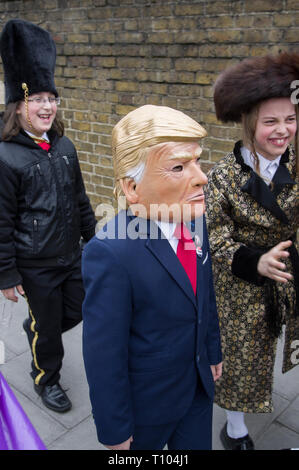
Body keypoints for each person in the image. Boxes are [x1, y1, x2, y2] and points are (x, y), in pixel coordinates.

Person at [82, 104, 222, 450]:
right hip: (149, 404)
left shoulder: (195, 220)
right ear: (132, 188)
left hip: (197, 387)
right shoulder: (111, 253)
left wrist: (213, 349)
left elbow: (204, 295)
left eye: (197, 162)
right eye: (178, 166)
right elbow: (104, 352)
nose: (202, 177)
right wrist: (115, 428)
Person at [0, 20, 96, 413]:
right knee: (50, 335)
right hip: (35, 263)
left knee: (77, 309)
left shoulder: (65, 146)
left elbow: (79, 197)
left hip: (71, 254)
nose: (46, 106)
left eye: (51, 98)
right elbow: (2, 222)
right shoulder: (7, 157)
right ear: (19, 105)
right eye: (36, 98)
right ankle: (46, 378)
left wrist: (94, 239)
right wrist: (6, 274)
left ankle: (39, 328)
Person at [205, 52, 299, 450]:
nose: (283, 130)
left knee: (287, 344)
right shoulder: (223, 177)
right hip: (242, 286)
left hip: (291, 274)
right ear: (249, 125)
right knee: (241, 361)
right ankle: (236, 430)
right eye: (271, 122)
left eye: (291, 119)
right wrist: (254, 260)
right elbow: (216, 237)